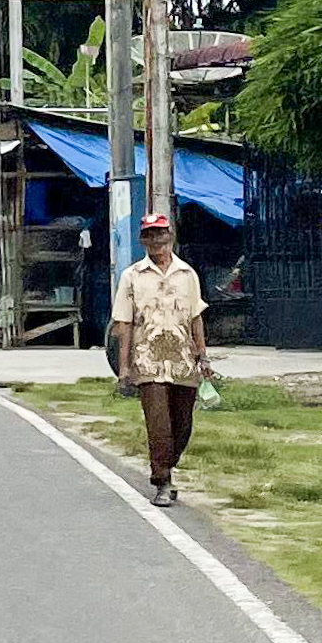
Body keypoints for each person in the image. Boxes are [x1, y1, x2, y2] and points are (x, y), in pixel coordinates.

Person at [106, 211, 210, 507]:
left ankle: (167, 463)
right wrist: (124, 367)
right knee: (159, 424)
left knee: (182, 424)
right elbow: (124, 324)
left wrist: (203, 355)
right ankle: (162, 480)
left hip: (182, 360)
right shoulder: (132, 276)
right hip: (148, 360)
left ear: (170, 235)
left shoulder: (187, 274)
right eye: (150, 235)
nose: (156, 240)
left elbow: (196, 318)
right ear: (143, 240)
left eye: (160, 234)